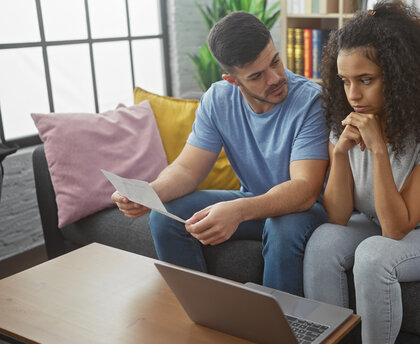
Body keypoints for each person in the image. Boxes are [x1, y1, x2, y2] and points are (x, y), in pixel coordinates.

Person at [302, 2, 420, 344]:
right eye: (346, 81)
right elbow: (337, 216)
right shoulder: (345, 124)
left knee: (373, 255)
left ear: (398, 77)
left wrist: (379, 150)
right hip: (375, 225)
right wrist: (339, 154)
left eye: (366, 80)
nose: (353, 94)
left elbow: (396, 229)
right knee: (322, 239)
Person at [111, 11, 329, 296]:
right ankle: (205, 313)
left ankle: (281, 334)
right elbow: (188, 170)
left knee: (282, 229)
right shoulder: (217, 100)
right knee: (164, 217)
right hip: (253, 201)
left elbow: (305, 189)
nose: (275, 78)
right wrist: (149, 194)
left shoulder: (311, 101)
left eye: (275, 60)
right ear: (233, 80)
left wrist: (238, 211)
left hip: (305, 210)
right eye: (257, 76)